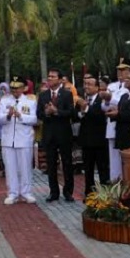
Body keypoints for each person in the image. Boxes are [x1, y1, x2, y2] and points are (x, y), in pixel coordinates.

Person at [0, 76, 38, 205]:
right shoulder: (4, 100)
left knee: (25, 167)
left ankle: (26, 192)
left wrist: (21, 116)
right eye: (13, 88)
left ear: (23, 88)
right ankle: (12, 193)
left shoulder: (30, 101)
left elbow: (34, 119)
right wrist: (7, 115)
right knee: (10, 168)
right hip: (8, 139)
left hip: (24, 138)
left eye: (17, 88)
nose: (14, 90)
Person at [38, 69, 75, 201]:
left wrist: (57, 111)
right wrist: (47, 113)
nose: (50, 78)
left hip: (64, 133)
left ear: (59, 80)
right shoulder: (43, 95)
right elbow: (39, 114)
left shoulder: (67, 94)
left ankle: (68, 191)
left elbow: (71, 112)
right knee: (51, 164)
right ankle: (54, 192)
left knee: (67, 163)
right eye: (49, 76)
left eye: (53, 76)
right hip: (49, 134)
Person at [78, 74, 109, 196]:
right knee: (88, 169)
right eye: (85, 84)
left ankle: (105, 194)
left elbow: (99, 115)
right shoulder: (82, 100)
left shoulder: (102, 100)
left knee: (102, 169)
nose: (86, 87)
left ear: (97, 87)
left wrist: (86, 110)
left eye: (89, 84)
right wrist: (81, 111)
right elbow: (77, 115)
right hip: (86, 140)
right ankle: (89, 193)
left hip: (100, 140)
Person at [102, 59, 130, 181]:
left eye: (123, 70)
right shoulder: (111, 86)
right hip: (111, 126)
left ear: (129, 70)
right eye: (119, 70)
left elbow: (123, 105)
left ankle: (126, 182)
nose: (120, 72)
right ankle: (115, 183)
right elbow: (104, 107)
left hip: (124, 127)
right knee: (114, 159)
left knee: (126, 157)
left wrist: (111, 99)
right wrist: (108, 100)